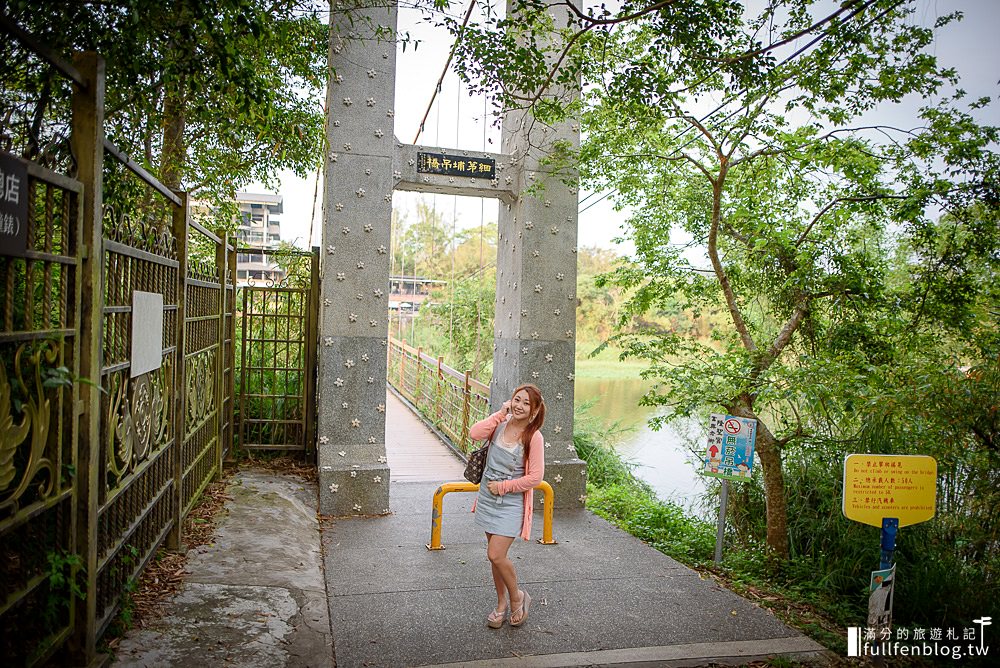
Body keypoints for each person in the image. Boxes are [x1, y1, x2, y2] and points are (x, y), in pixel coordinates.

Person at [468, 383, 545, 629]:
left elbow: (536, 477)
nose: (520, 406)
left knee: (495, 554)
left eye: (526, 403)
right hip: (488, 498)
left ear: (533, 411)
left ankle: (517, 597)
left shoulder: (534, 436)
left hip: (510, 502)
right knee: (495, 558)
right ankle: (501, 604)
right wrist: (500, 413)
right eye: (517, 400)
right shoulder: (500, 424)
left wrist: (503, 487)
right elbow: (474, 433)